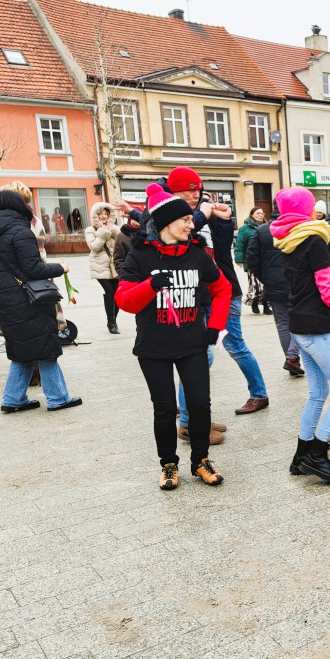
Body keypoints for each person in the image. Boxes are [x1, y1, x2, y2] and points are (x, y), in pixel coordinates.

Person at [116, 183, 230, 490]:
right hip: (154, 347)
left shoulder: (197, 254)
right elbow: (123, 300)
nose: (192, 224)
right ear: (167, 223)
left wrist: (214, 326)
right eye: (187, 220)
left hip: (192, 344)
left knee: (200, 405)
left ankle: (200, 461)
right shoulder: (140, 256)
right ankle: (168, 465)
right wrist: (150, 286)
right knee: (165, 408)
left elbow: (223, 288)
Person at [272, 186, 330, 484]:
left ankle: (301, 456)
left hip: (300, 325)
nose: (316, 209)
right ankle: (317, 452)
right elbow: (326, 290)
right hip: (315, 328)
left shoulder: (290, 239)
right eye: (312, 205)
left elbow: (318, 281)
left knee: (318, 393)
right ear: (303, 209)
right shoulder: (312, 240)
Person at [166, 167, 269, 418]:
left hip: (223, 291)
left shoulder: (205, 213)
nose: (194, 195)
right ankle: (189, 410)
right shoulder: (176, 218)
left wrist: (223, 221)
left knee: (232, 347)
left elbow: (223, 251)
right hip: (194, 294)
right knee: (200, 353)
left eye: (197, 191)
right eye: (188, 191)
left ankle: (257, 394)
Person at [0, 190, 81, 413]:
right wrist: (60, 268)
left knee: (21, 349)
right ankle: (58, 397)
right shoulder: (20, 231)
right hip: (27, 300)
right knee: (45, 347)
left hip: (5, 300)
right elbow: (33, 269)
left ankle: (13, 399)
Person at [245, 204, 304, 377]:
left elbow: (252, 258)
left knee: (283, 324)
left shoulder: (262, 230)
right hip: (297, 283)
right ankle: (292, 357)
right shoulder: (298, 228)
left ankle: (291, 359)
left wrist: (266, 278)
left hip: (274, 284)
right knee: (300, 321)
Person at [85, 202, 122, 334]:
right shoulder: (90, 230)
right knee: (110, 292)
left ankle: (114, 320)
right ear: (96, 215)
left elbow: (121, 244)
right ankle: (111, 323)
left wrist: (114, 231)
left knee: (117, 294)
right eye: (101, 214)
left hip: (114, 265)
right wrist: (103, 233)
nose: (104, 216)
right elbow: (94, 247)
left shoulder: (115, 229)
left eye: (106, 213)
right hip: (99, 265)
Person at [234, 207, 268, 315]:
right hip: (252, 261)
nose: (260, 215)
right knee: (256, 285)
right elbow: (240, 245)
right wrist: (239, 259)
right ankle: (254, 302)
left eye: (262, 213)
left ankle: (266, 305)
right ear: (252, 214)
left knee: (266, 284)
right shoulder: (245, 229)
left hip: (266, 261)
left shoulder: (267, 227)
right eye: (258, 213)